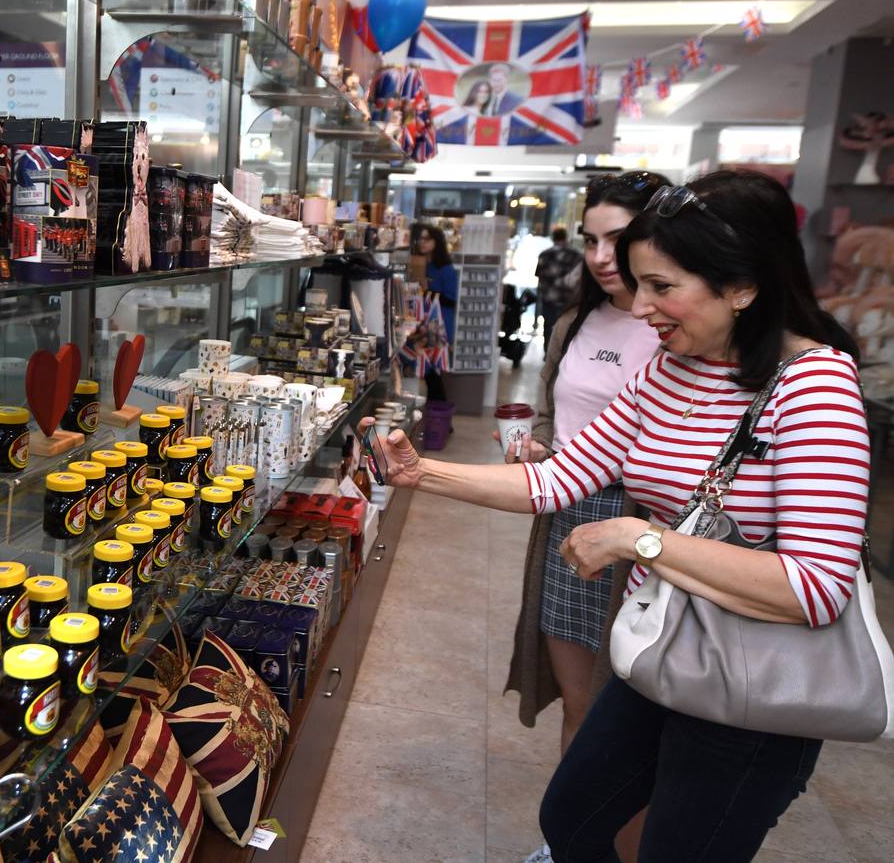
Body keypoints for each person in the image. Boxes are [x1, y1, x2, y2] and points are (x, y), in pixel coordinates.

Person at [367, 170, 867, 861]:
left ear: (744, 286)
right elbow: (557, 479)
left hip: (749, 690)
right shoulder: (670, 366)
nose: (641, 310)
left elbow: (814, 587)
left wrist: (640, 538)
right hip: (655, 655)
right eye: (640, 284)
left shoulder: (815, 387)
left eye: (664, 288)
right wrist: (420, 472)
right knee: (571, 816)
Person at [504, 172, 669, 863]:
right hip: (569, 512)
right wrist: (537, 442)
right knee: (579, 700)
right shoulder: (577, 320)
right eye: (592, 239)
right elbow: (555, 410)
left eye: (619, 239)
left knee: (633, 714)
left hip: (646, 526)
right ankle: (573, 843)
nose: (603, 256)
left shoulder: (679, 326)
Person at [413, 224, 457, 401]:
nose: (423, 243)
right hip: (424, 324)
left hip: (439, 325)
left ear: (437, 242)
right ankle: (437, 418)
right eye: (421, 239)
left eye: (427, 239)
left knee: (433, 372)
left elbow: (451, 299)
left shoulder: (446, 269)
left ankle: (440, 418)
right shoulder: (423, 265)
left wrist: (426, 291)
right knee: (429, 373)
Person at [534, 226, 584, 352]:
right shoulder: (576, 255)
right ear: (566, 237)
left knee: (548, 326)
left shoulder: (544, 255)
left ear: (553, 238)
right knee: (566, 328)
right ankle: (564, 353)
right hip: (569, 299)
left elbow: (539, 276)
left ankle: (548, 353)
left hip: (549, 298)